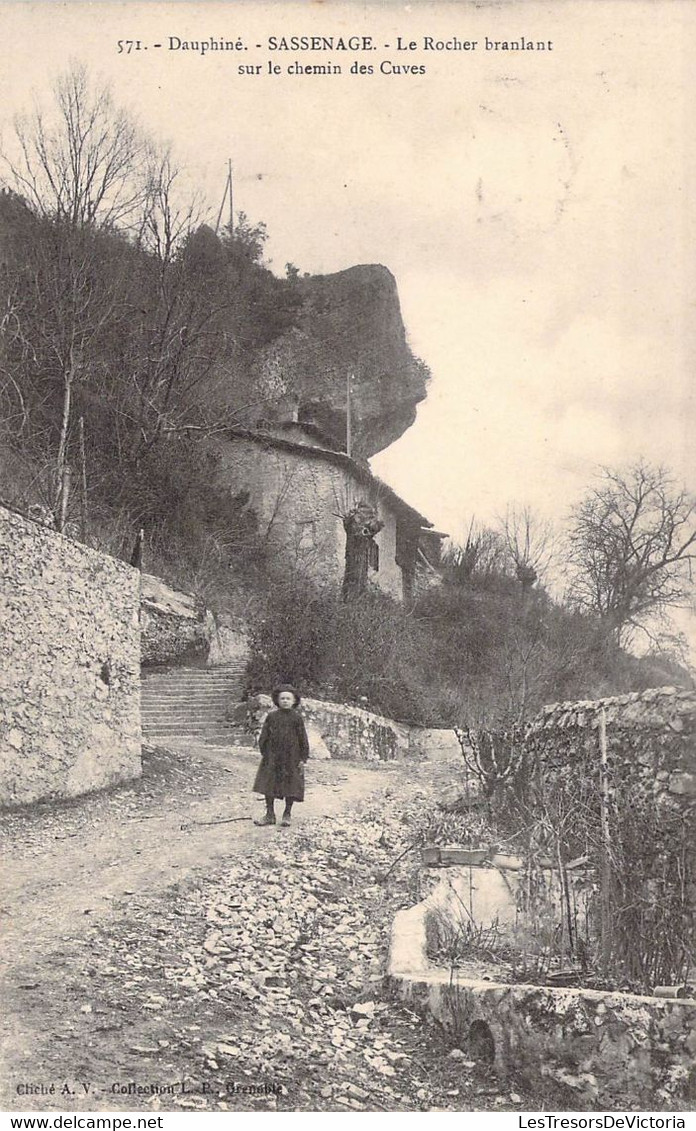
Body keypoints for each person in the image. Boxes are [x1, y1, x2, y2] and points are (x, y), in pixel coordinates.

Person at [253, 684, 309, 827]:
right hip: (272, 757)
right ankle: (270, 814)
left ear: (294, 701)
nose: (285, 701)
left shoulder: (297, 718)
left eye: (288, 699)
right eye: (282, 698)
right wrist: (265, 753)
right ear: (277, 700)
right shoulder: (272, 717)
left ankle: (287, 813)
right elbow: (264, 736)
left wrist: (303, 758)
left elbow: (303, 738)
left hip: (292, 758)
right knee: (269, 785)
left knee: (291, 786)